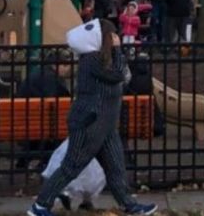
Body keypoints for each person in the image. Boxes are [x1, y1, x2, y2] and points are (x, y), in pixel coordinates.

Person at [26, 20, 157, 216]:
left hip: (105, 125)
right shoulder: (92, 60)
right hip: (90, 123)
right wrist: (119, 51)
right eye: (112, 36)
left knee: (116, 167)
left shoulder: (101, 60)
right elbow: (119, 75)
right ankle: (41, 205)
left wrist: (116, 53)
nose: (116, 38)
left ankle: (129, 204)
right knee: (71, 166)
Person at [16, 50, 73, 169]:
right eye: (65, 65)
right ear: (55, 65)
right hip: (38, 123)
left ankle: (27, 161)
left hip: (26, 120)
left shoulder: (40, 73)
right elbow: (53, 103)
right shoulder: (50, 78)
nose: (68, 69)